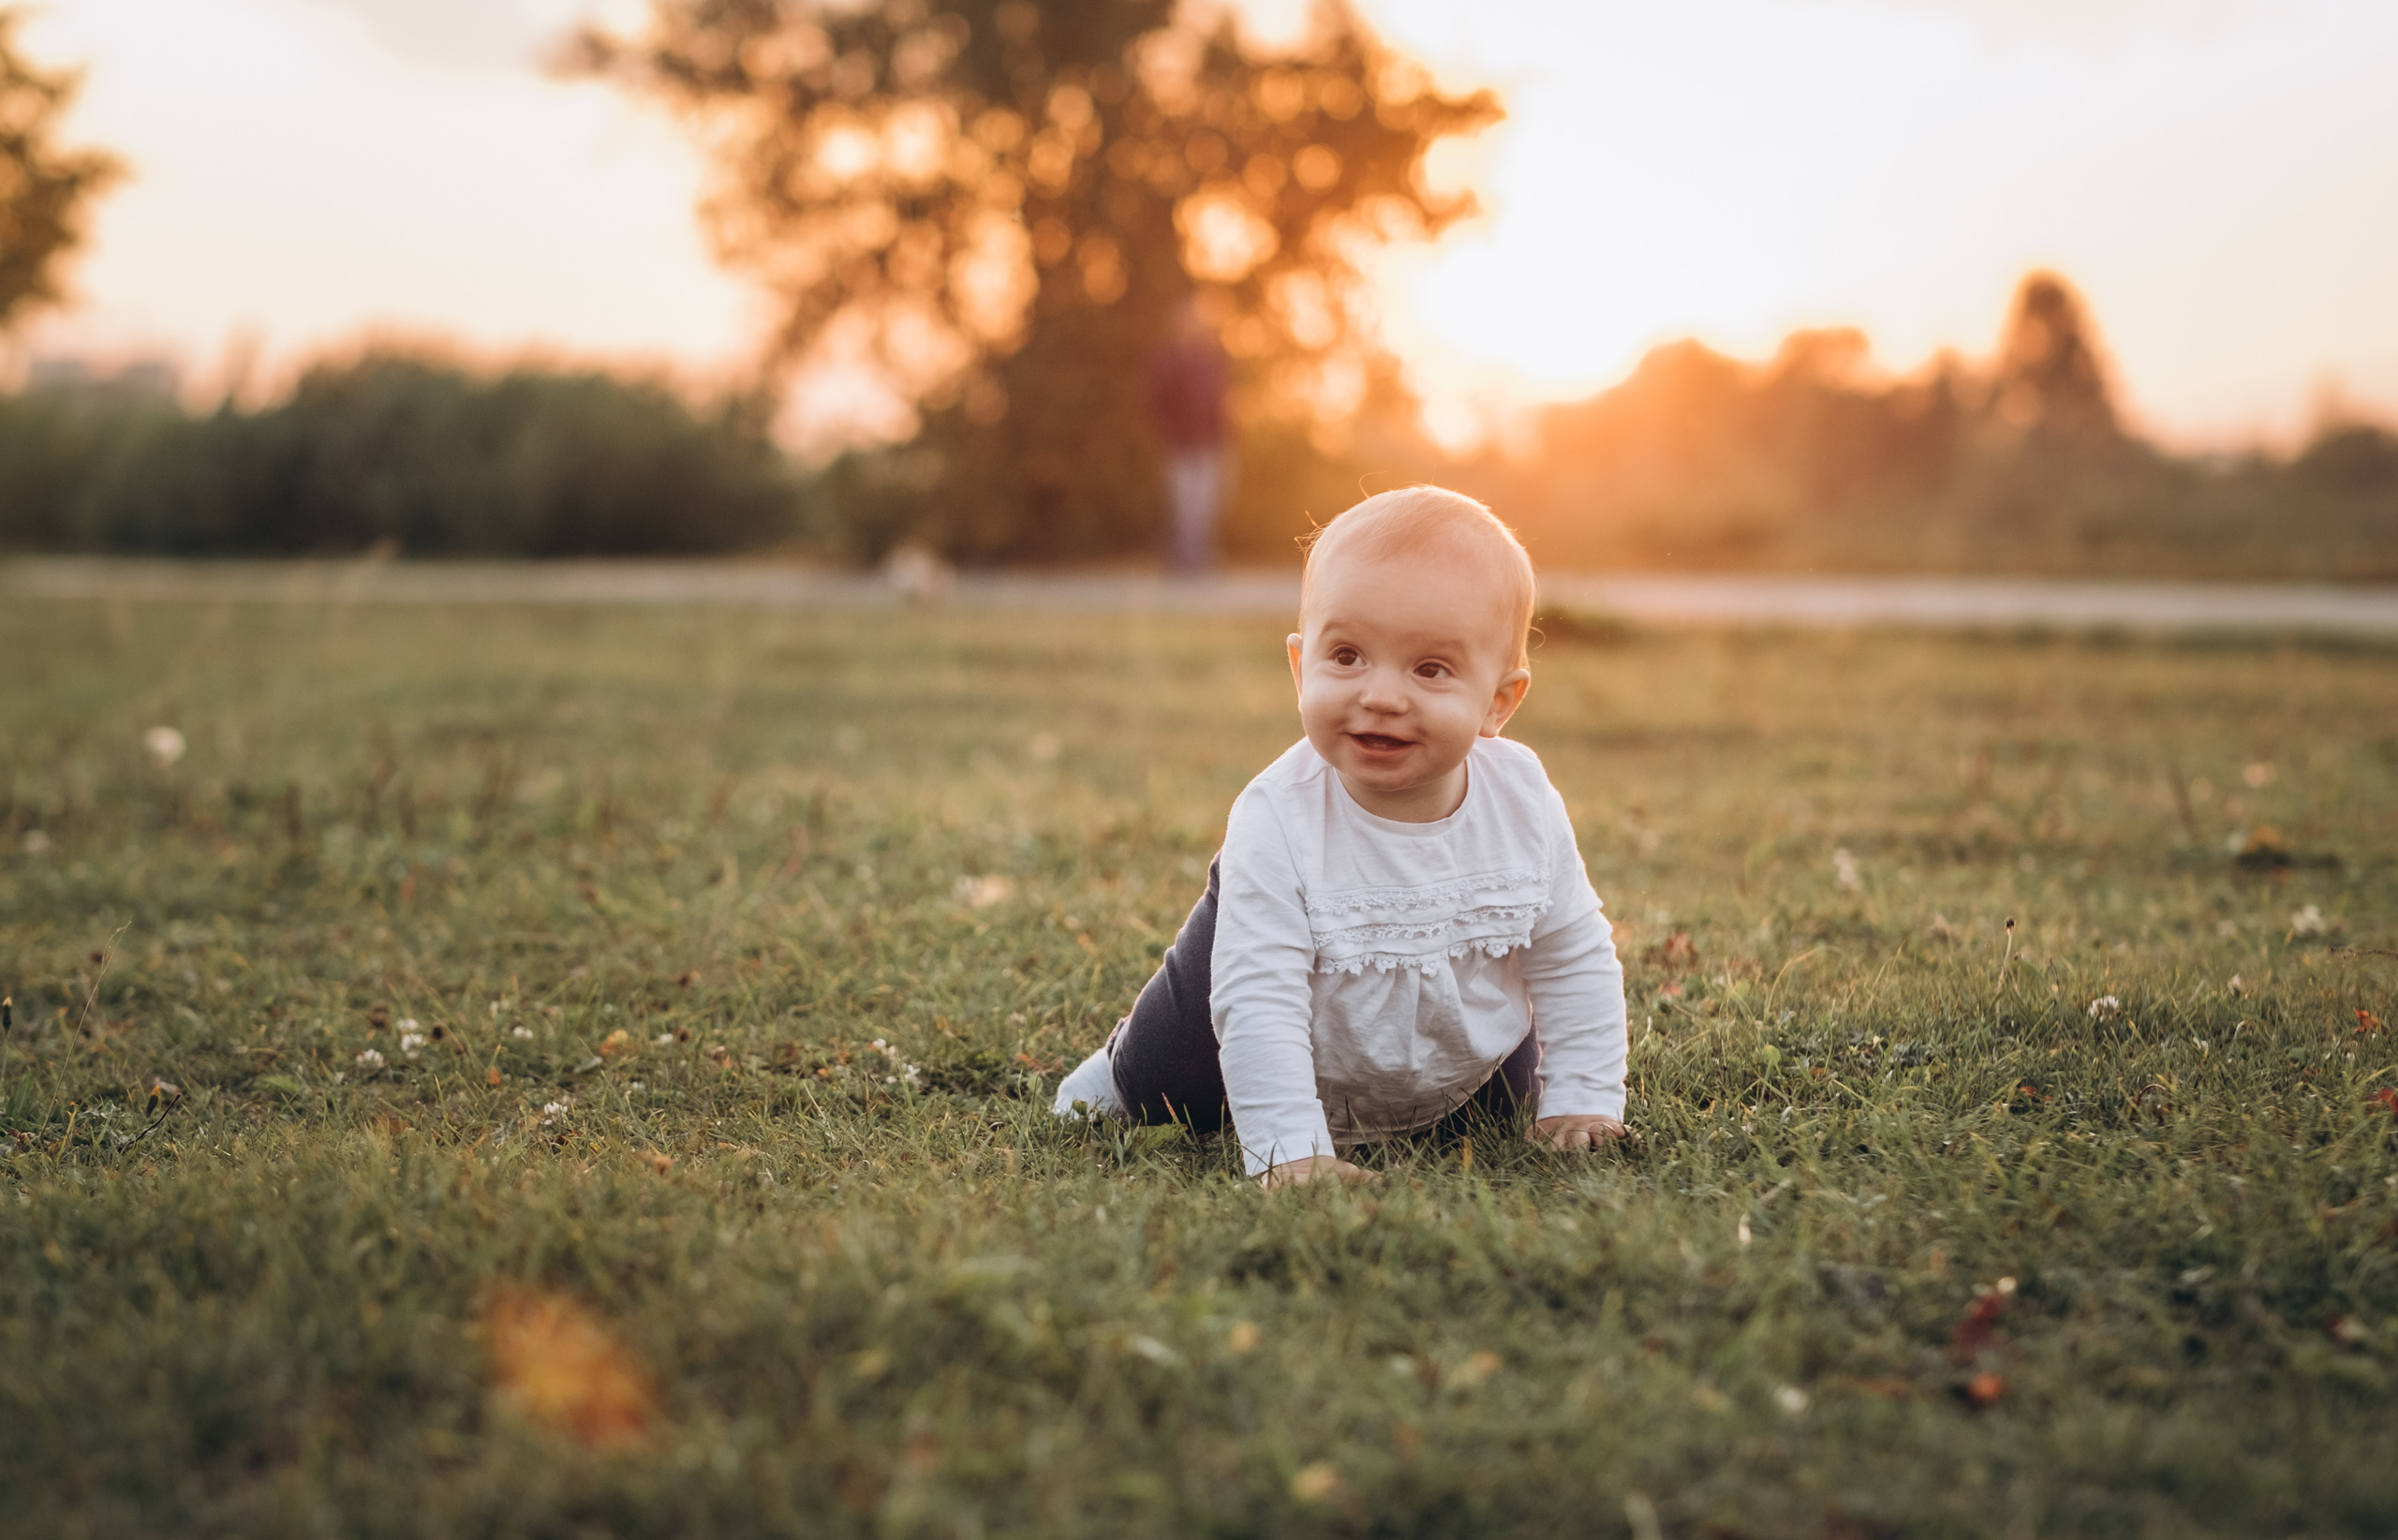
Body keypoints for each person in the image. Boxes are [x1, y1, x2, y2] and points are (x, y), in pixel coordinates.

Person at [1053, 486, 1631, 1187]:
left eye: (1430, 669)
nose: (1381, 695)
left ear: (1499, 703)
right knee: (1165, 1086)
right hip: (1249, 1019)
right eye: (1348, 655)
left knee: (1509, 1096)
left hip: (1442, 1040)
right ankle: (1113, 1073)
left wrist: (1584, 1101)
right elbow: (1258, 993)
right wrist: (1290, 1153)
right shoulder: (1277, 815)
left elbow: (1573, 955)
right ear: (1301, 668)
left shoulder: (1523, 799)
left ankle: (1420, 1099)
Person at [1147, 299, 1230, 573]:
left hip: (1209, 443)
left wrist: (1224, 437)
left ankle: (1200, 558)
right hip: (1180, 445)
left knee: (1206, 504)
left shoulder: (1211, 360)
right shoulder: (1169, 360)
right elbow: (1157, 399)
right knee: (1183, 505)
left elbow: (1220, 402)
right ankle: (1183, 559)